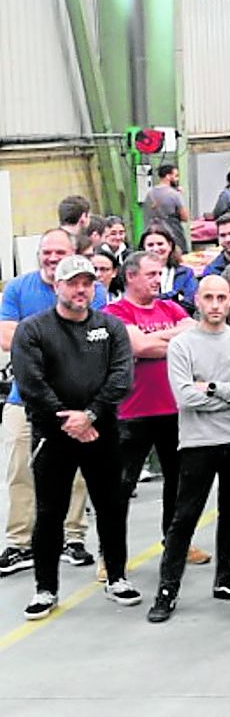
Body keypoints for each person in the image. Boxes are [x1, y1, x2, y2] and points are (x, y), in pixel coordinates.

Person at [15, 255, 136, 619]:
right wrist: (68, 419)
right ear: (57, 286)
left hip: (102, 430)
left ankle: (116, 577)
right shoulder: (33, 330)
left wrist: (91, 415)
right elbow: (31, 382)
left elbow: (122, 376)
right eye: (73, 283)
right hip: (53, 434)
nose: (81, 290)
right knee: (50, 512)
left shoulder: (110, 327)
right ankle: (45, 589)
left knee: (111, 507)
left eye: (87, 283)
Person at [150, 275, 230, 622]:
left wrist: (210, 387)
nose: (215, 304)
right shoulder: (182, 345)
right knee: (184, 518)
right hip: (198, 443)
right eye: (208, 297)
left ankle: (226, 578)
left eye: (221, 297)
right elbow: (184, 397)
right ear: (197, 300)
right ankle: (167, 590)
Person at [0, 230, 106, 579]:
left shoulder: (94, 290)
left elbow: (95, 339)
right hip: (24, 399)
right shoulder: (18, 288)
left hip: (75, 403)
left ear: (72, 253)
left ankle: (72, 538)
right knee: (19, 470)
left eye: (59, 251)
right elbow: (5, 339)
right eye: (46, 251)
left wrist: (34, 340)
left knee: (75, 474)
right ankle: (19, 543)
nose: (52, 257)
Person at [104, 253, 195, 560]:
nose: (158, 280)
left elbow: (193, 335)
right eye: (151, 274)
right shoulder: (115, 312)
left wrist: (150, 339)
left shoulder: (171, 307)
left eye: (159, 274)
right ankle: (109, 555)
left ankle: (175, 544)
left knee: (178, 483)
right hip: (131, 413)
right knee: (120, 487)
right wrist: (168, 340)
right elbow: (139, 346)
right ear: (130, 276)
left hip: (173, 410)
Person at [144, 163, 190, 253]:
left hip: (154, 233)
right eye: (176, 176)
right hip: (174, 234)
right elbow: (185, 217)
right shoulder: (174, 194)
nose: (177, 179)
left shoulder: (149, 194)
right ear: (168, 176)